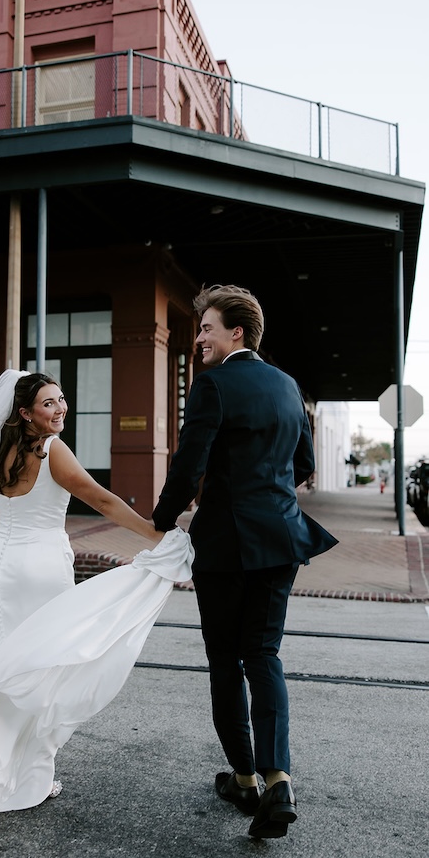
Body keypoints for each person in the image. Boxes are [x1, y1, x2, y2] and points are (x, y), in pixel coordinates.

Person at [0, 370, 193, 847]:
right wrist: (156, 534)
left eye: (62, 399)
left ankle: (24, 778)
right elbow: (100, 498)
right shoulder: (52, 450)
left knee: (5, 669)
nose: (60, 409)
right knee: (40, 670)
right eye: (49, 403)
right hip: (41, 569)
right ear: (26, 413)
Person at [152, 284, 338, 840]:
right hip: (282, 538)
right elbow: (304, 462)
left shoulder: (213, 386)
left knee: (225, 659)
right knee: (264, 654)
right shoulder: (288, 387)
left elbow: (188, 466)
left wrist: (161, 521)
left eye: (205, 327)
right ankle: (278, 778)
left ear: (235, 331)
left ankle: (244, 777)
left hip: (227, 543)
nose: (198, 338)